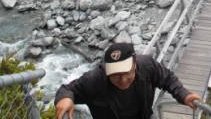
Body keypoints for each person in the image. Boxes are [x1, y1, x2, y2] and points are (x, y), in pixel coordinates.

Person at [55, 42, 201, 119]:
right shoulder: (94, 80)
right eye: (116, 75)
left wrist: (184, 95)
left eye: (127, 72)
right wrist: (65, 98)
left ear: (135, 64)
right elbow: (67, 89)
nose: (123, 80)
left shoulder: (147, 66)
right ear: (106, 71)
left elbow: (167, 78)